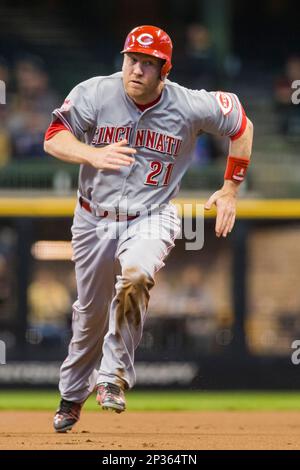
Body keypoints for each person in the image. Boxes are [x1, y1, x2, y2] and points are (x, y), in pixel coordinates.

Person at [44, 25, 253, 433]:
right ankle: (72, 394)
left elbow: (241, 124)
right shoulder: (94, 92)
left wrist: (230, 188)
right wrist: (92, 153)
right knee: (89, 315)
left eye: (148, 63)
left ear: (164, 70)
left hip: (151, 215)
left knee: (136, 277)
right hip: (93, 218)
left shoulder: (190, 105)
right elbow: (53, 138)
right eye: (131, 59)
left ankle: (112, 377)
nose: (136, 69)